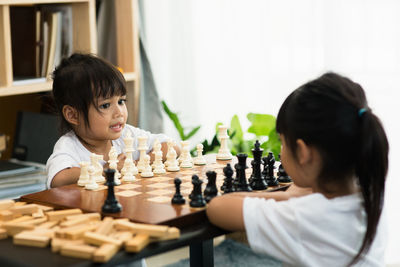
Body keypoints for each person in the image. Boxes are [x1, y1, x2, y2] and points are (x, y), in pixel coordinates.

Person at [207, 72, 389, 266]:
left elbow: (217, 207)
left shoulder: (304, 216)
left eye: (283, 142)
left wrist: (288, 197)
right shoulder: (372, 196)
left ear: (303, 152)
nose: (281, 150)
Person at [46, 53, 177, 188]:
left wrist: (140, 162)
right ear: (73, 115)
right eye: (105, 105)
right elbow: (58, 178)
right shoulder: (69, 146)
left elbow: (172, 147)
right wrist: (105, 171)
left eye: (121, 101)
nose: (119, 112)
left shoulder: (127, 135)